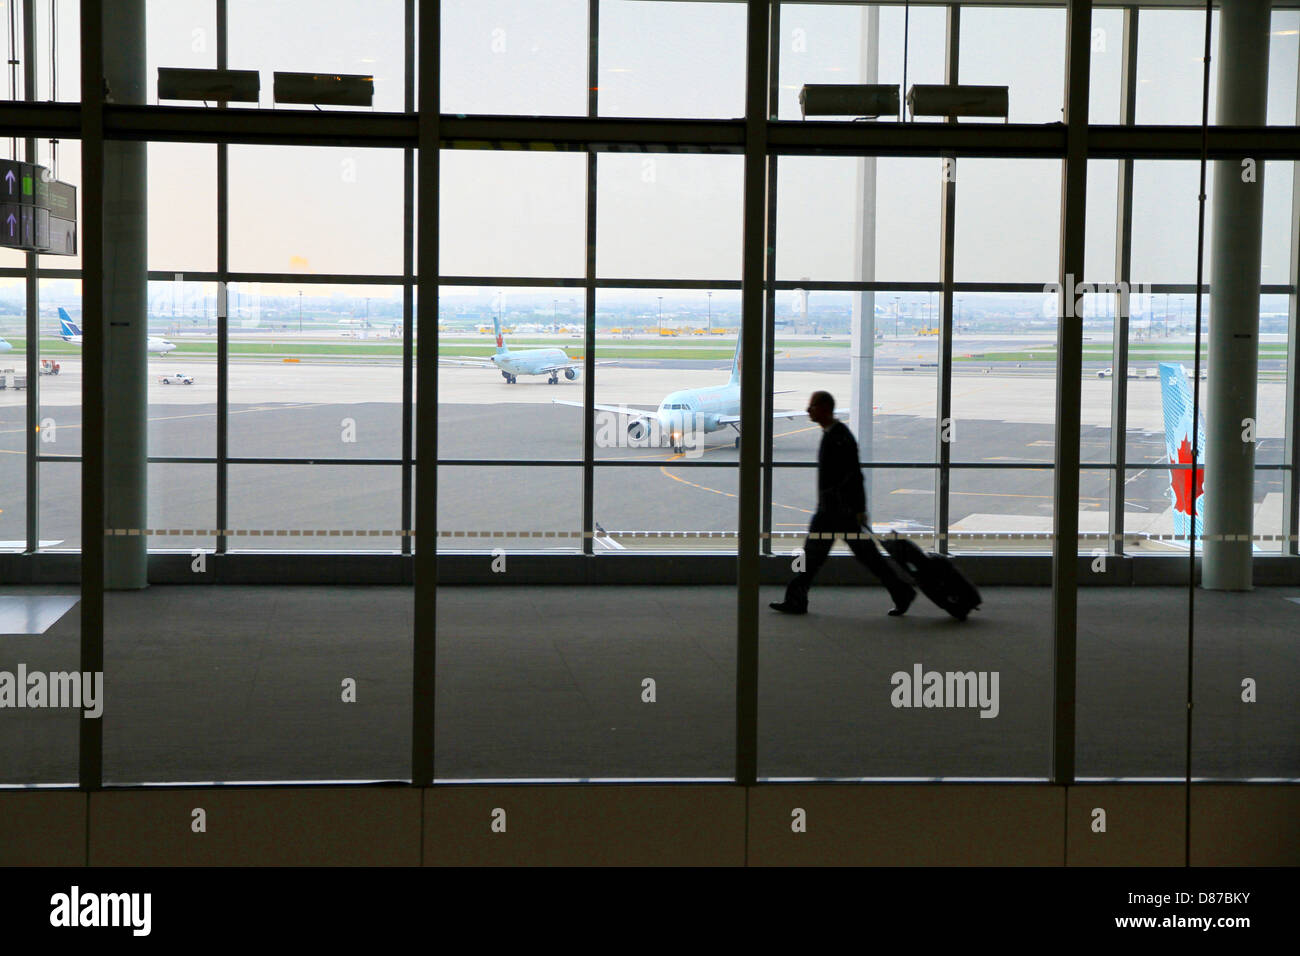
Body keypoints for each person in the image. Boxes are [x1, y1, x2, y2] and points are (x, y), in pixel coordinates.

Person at [770, 391, 916, 617]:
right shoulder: (835, 434)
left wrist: (858, 509)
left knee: (819, 556)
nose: (808, 410)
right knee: (860, 556)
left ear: (825, 409)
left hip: (836, 512)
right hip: (838, 511)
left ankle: (796, 599)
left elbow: (854, 476)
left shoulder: (838, 437)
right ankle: (901, 591)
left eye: (812, 406)